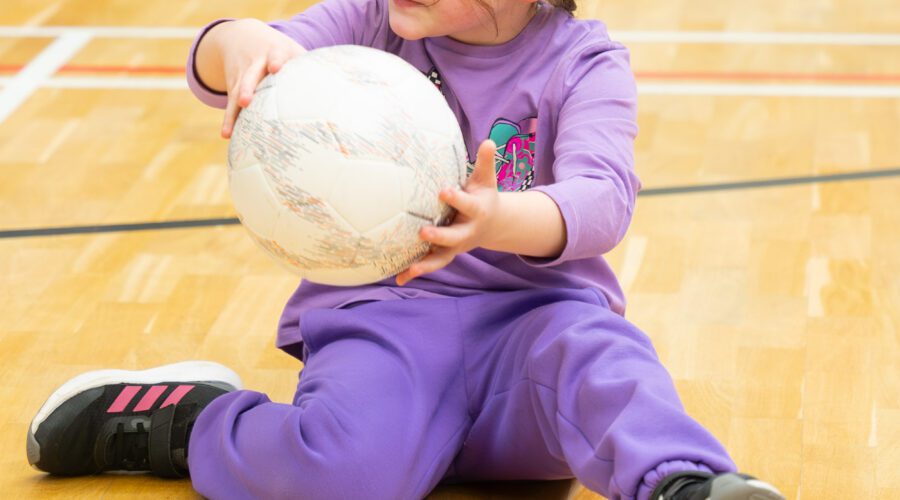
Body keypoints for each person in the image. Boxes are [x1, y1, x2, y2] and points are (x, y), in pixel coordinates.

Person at [26, 1, 787, 499]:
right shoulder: (370, 21)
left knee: (605, 362)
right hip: (384, 324)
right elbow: (218, 60)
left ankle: (684, 484)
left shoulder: (583, 63)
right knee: (344, 475)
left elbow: (602, 199)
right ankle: (194, 424)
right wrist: (243, 43)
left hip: (530, 330)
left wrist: (498, 219)